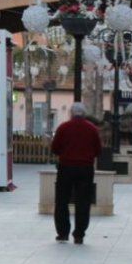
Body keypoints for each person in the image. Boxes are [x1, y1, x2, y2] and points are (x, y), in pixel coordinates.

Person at [49, 102, 102, 244]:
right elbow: (98, 150)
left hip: (66, 167)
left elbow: (55, 148)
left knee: (62, 201)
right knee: (83, 202)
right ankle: (79, 234)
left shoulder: (63, 128)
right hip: (85, 168)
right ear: (84, 114)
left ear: (71, 113)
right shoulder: (92, 129)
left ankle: (63, 232)